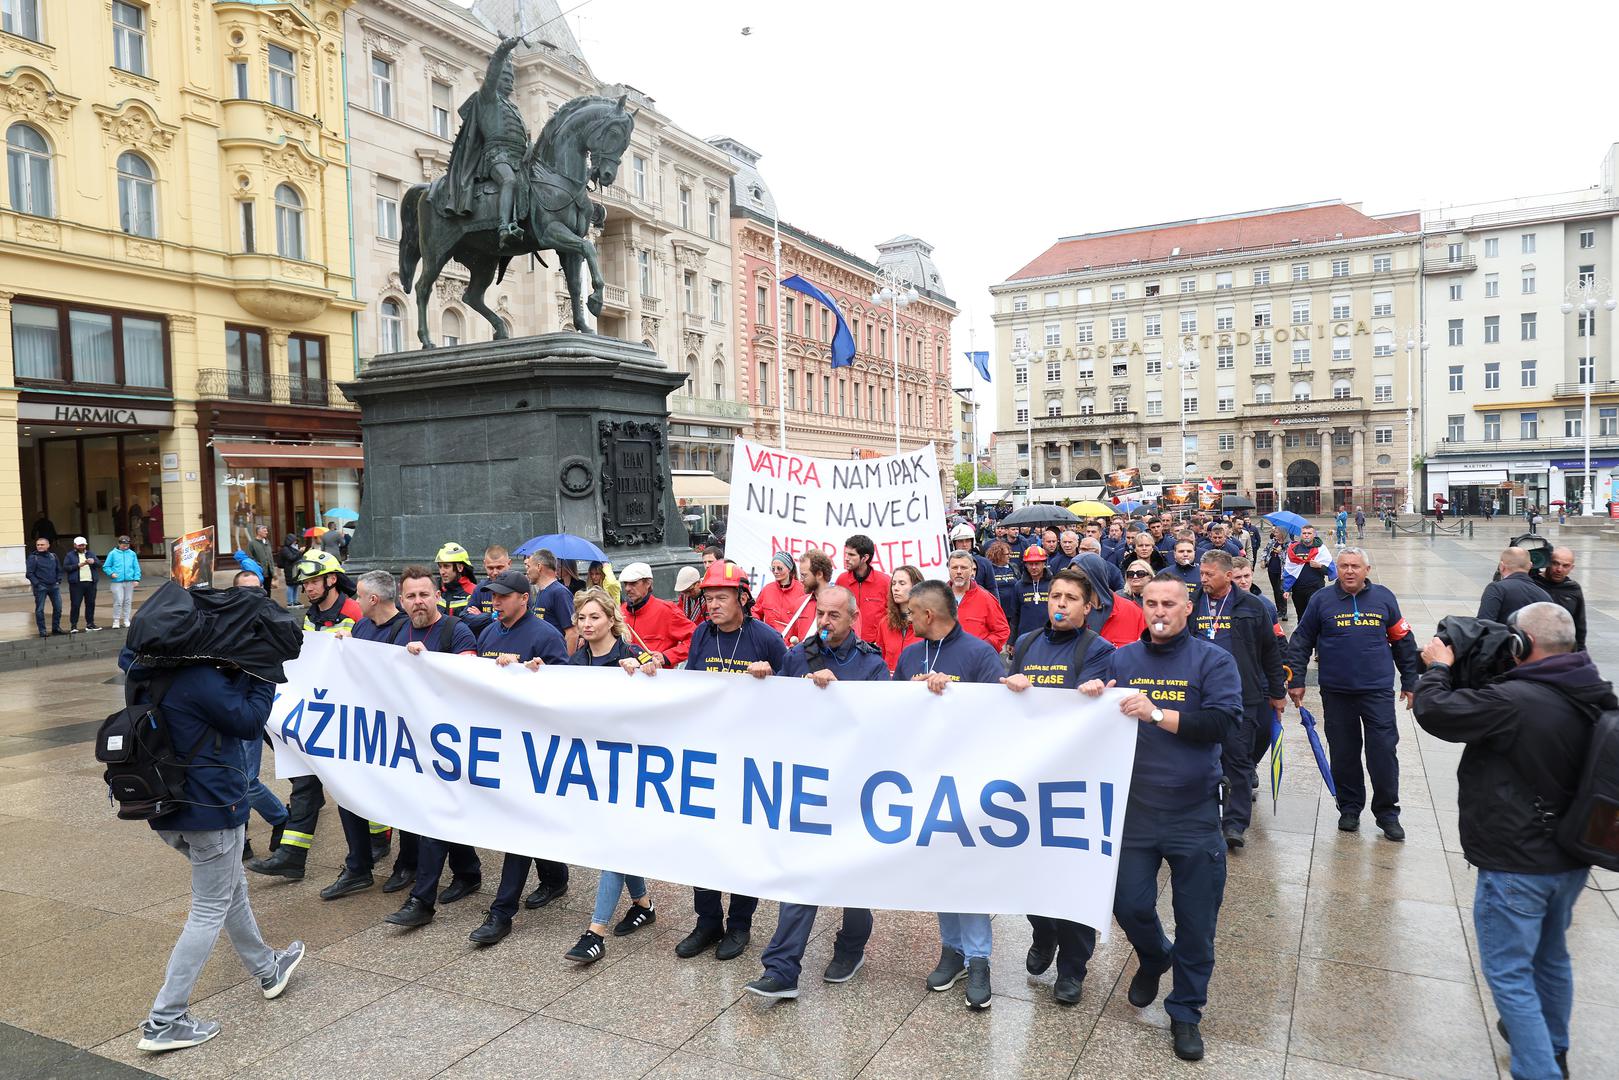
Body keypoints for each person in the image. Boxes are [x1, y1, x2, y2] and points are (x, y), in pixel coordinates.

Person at [1413, 603, 1612, 1080]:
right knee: (1551, 956)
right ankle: (1556, 1047)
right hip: (1569, 857)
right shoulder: (1591, 688)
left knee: (1509, 973)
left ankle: (1539, 1069)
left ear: (1521, 645)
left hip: (1517, 862)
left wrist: (1438, 669)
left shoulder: (1517, 701)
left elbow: (1436, 711)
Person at [1078, 573, 1242, 1063]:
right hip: (1135, 810)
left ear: (1187, 608)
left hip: (1193, 812)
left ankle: (1186, 1012)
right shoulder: (1122, 657)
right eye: (1149, 603)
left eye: (1168, 603)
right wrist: (1091, 695)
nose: (1158, 612)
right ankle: (1153, 953)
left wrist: (1157, 714)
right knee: (1128, 904)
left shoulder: (1214, 660)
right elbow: (1098, 711)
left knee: (1197, 922)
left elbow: (1223, 724)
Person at [122, 650, 304, 1053]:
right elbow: (249, 721)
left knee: (230, 888)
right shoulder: (200, 678)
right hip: (209, 811)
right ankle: (165, 1019)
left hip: (163, 808)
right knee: (208, 907)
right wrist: (263, 673)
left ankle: (267, 968)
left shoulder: (140, 669)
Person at [743, 585, 888, 1000]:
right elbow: (776, 715)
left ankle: (851, 946)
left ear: (853, 617)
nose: (825, 621)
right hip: (810, 785)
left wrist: (838, 690)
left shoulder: (872, 665)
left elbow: (882, 724)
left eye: (834, 616)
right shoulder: (796, 656)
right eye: (821, 614)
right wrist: (765, 681)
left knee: (853, 878)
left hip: (855, 788)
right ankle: (782, 967)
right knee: (803, 874)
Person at [1002, 568, 1114, 1005]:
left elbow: (1091, 706)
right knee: (1029, 872)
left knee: (1072, 878)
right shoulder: (1028, 643)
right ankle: (1043, 930)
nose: (1060, 603)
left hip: (1076, 782)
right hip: (1030, 779)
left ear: (1088, 607)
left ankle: (1072, 969)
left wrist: (1091, 691)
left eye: (1070, 597)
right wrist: (1012, 687)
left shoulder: (1098, 649)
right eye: (1054, 596)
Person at [894, 580, 1006, 1008]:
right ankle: (952, 950)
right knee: (940, 867)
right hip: (924, 779)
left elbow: (999, 714)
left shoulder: (979, 654)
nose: (906, 619)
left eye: (910, 613)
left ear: (928, 616)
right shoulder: (908, 655)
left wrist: (953, 694)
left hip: (969, 779)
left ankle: (979, 959)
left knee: (970, 870)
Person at [678, 559, 787, 960]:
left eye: (721, 597)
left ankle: (739, 925)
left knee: (744, 844)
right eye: (707, 597)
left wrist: (772, 675)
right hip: (709, 757)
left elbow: (796, 694)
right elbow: (692, 687)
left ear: (743, 598)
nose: (712, 605)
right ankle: (707, 921)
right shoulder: (701, 636)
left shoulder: (767, 639)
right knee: (702, 843)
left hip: (752, 760)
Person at [466, 568, 571, 945]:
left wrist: (537, 673)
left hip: (535, 747)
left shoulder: (545, 635)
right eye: (492, 596)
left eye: (501, 596)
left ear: (523, 598)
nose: (494, 602)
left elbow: (567, 686)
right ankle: (555, 876)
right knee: (526, 822)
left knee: (519, 827)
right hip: (501, 743)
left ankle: (501, 912)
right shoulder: (490, 632)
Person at [1287, 546, 1420, 840]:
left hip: (1378, 692)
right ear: (1337, 569)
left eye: (1355, 566)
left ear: (1366, 571)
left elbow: (1403, 641)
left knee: (1383, 752)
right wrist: (1295, 678)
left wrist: (1411, 681)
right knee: (1344, 753)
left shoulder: (1384, 598)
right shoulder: (1321, 600)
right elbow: (1301, 640)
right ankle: (1349, 808)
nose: (1349, 571)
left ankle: (1387, 813)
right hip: (1336, 692)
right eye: (1344, 566)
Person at [246, 551, 361, 881]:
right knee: (305, 779)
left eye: (313, 582)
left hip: (348, 714)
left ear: (331, 580)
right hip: (320, 710)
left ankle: (377, 838)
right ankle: (292, 856)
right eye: (305, 583)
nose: (308, 588)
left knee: (355, 783)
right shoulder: (311, 615)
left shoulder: (353, 611)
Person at [561, 589, 656, 965]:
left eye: (594, 617)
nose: (587, 624)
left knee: (613, 844)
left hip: (629, 768)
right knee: (617, 841)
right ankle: (644, 904)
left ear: (610, 619)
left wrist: (648, 672)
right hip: (593, 769)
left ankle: (595, 932)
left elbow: (662, 687)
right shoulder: (575, 660)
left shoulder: (632, 656)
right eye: (582, 618)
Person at [383, 567, 482, 927]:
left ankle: (421, 900)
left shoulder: (456, 631)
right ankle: (468, 870)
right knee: (433, 813)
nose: (418, 602)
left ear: (437, 595)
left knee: (433, 815)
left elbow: (468, 677)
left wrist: (429, 662)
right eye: (410, 596)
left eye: (424, 594)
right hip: (412, 741)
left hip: (450, 744)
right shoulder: (396, 631)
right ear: (402, 601)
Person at [316, 571, 414, 902]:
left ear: (373, 599)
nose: (355, 601)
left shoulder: (403, 630)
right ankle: (357, 867)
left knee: (402, 798)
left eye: (359, 596)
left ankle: (407, 863)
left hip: (394, 729)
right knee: (349, 792)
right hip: (361, 726)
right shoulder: (361, 627)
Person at [1190, 551, 1287, 849]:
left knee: (1238, 759)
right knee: (1198, 758)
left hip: (1240, 695)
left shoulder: (1254, 607)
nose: (1203, 579)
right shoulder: (1192, 603)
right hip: (1198, 694)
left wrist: (1277, 692)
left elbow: (1271, 652)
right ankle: (1200, 815)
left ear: (1228, 575)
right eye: (1201, 574)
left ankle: (1234, 823)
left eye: (1209, 574)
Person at [619, 561, 695, 669]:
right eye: (625, 584)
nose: (627, 588)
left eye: (633, 583)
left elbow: (696, 638)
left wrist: (667, 656)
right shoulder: (620, 612)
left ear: (648, 583)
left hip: (658, 680)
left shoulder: (667, 611)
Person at [1072, 553, 1148, 647]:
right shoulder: (1069, 613)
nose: (1072, 582)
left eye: (1078, 576)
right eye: (1070, 576)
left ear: (1097, 576)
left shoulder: (1133, 611)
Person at [948, 549, 1012, 650]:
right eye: (955, 567)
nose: (959, 572)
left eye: (963, 567)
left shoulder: (986, 598)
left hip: (976, 663)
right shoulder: (938, 598)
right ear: (949, 569)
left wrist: (983, 648)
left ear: (971, 570)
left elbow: (1002, 631)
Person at [835, 533, 891, 645]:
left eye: (851, 555)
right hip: (846, 645)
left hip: (875, 647)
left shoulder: (885, 581)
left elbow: (892, 614)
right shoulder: (841, 580)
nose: (846, 558)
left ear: (865, 558)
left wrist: (882, 641)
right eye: (846, 554)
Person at [753, 551, 815, 645]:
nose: (776, 572)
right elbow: (755, 612)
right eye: (773, 569)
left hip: (791, 646)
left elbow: (807, 622)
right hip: (767, 643)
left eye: (779, 568)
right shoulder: (767, 589)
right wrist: (756, 627)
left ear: (789, 569)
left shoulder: (803, 590)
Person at [1478, 547, 1551, 624]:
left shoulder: (1497, 589)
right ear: (1530, 566)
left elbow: (1484, 625)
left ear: (1501, 566)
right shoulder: (1545, 595)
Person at [1532, 547, 1587, 652]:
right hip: (1535, 649)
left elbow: (1579, 625)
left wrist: (1581, 653)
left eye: (1565, 566)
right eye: (1555, 563)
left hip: (1562, 651)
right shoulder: (1532, 584)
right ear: (1547, 562)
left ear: (1572, 567)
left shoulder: (1573, 589)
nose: (1559, 569)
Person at [873, 564, 923, 673]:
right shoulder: (885, 623)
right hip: (890, 686)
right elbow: (879, 659)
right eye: (893, 583)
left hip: (918, 686)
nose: (895, 588)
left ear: (916, 587)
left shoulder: (928, 624)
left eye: (902, 583)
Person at [527, 549, 578, 649]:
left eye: (529, 566)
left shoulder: (560, 593)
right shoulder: (542, 592)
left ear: (539, 567)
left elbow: (572, 633)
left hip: (555, 661)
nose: (527, 571)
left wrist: (564, 663)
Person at [1282, 524, 1334, 620]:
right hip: (1298, 589)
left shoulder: (1321, 549)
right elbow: (1288, 569)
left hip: (1315, 588)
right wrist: (1287, 589)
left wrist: (1319, 566)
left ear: (1314, 534)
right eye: (1304, 533)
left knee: (1314, 615)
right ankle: (1301, 634)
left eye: (1309, 533)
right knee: (1301, 616)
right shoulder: (1294, 549)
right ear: (1301, 534)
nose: (1306, 535)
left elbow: (1329, 571)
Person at [460, 545, 514, 634]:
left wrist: (481, 616)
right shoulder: (480, 588)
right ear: (484, 564)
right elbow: (465, 618)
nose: (495, 572)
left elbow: (515, 620)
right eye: (490, 568)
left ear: (509, 563)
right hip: (485, 643)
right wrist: (491, 618)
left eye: (500, 567)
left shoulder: (518, 587)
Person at [26, 536, 62, 640]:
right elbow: (29, 573)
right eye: (38, 545)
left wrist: (58, 580)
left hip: (54, 586)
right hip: (41, 587)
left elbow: (58, 569)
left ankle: (56, 628)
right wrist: (37, 584)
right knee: (40, 610)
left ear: (48, 545)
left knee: (58, 608)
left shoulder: (53, 556)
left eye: (42, 545)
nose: (40, 547)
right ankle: (42, 630)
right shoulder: (33, 557)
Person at [64, 536, 102, 632]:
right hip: (77, 584)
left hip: (90, 582)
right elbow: (66, 568)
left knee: (90, 603)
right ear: (75, 545)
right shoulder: (70, 555)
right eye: (80, 545)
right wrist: (77, 565)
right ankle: (73, 625)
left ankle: (90, 624)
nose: (82, 547)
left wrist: (93, 562)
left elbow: (99, 564)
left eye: (83, 545)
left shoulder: (90, 553)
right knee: (76, 604)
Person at [104, 534, 141, 629]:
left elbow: (136, 567)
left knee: (128, 601)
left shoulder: (132, 554)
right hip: (117, 581)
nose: (125, 546)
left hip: (129, 581)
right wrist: (111, 573)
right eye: (123, 544)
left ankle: (126, 619)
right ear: (119, 544)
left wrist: (137, 578)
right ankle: (116, 620)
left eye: (127, 544)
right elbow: (106, 566)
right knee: (118, 600)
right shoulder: (113, 553)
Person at [949, 522, 997, 591]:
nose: (964, 544)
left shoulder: (984, 563)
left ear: (972, 541)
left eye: (967, 540)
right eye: (960, 541)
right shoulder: (948, 562)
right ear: (954, 543)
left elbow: (992, 588)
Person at [985, 540, 1021, 629]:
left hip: (1014, 610)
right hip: (998, 611)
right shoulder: (990, 569)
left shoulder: (1013, 567)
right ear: (998, 555)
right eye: (1007, 554)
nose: (1010, 556)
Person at [274, 533, 302, 606]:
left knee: (296, 585)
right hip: (289, 569)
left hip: (296, 568)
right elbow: (291, 558)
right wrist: (299, 552)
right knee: (290, 585)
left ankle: (295, 601)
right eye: (294, 541)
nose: (295, 542)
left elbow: (297, 557)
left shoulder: (294, 548)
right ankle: (290, 602)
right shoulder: (285, 549)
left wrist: (300, 552)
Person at [246, 524, 274, 598]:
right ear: (258, 532)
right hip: (259, 571)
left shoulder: (267, 542)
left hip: (269, 571)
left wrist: (273, 569)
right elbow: (249, 557)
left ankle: (268, 604)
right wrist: (258, 565)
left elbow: (270, 557)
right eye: (264, 531)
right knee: (258, 590)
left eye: (266, 530)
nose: (266, 532)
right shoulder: (252, 543)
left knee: (268, 589)